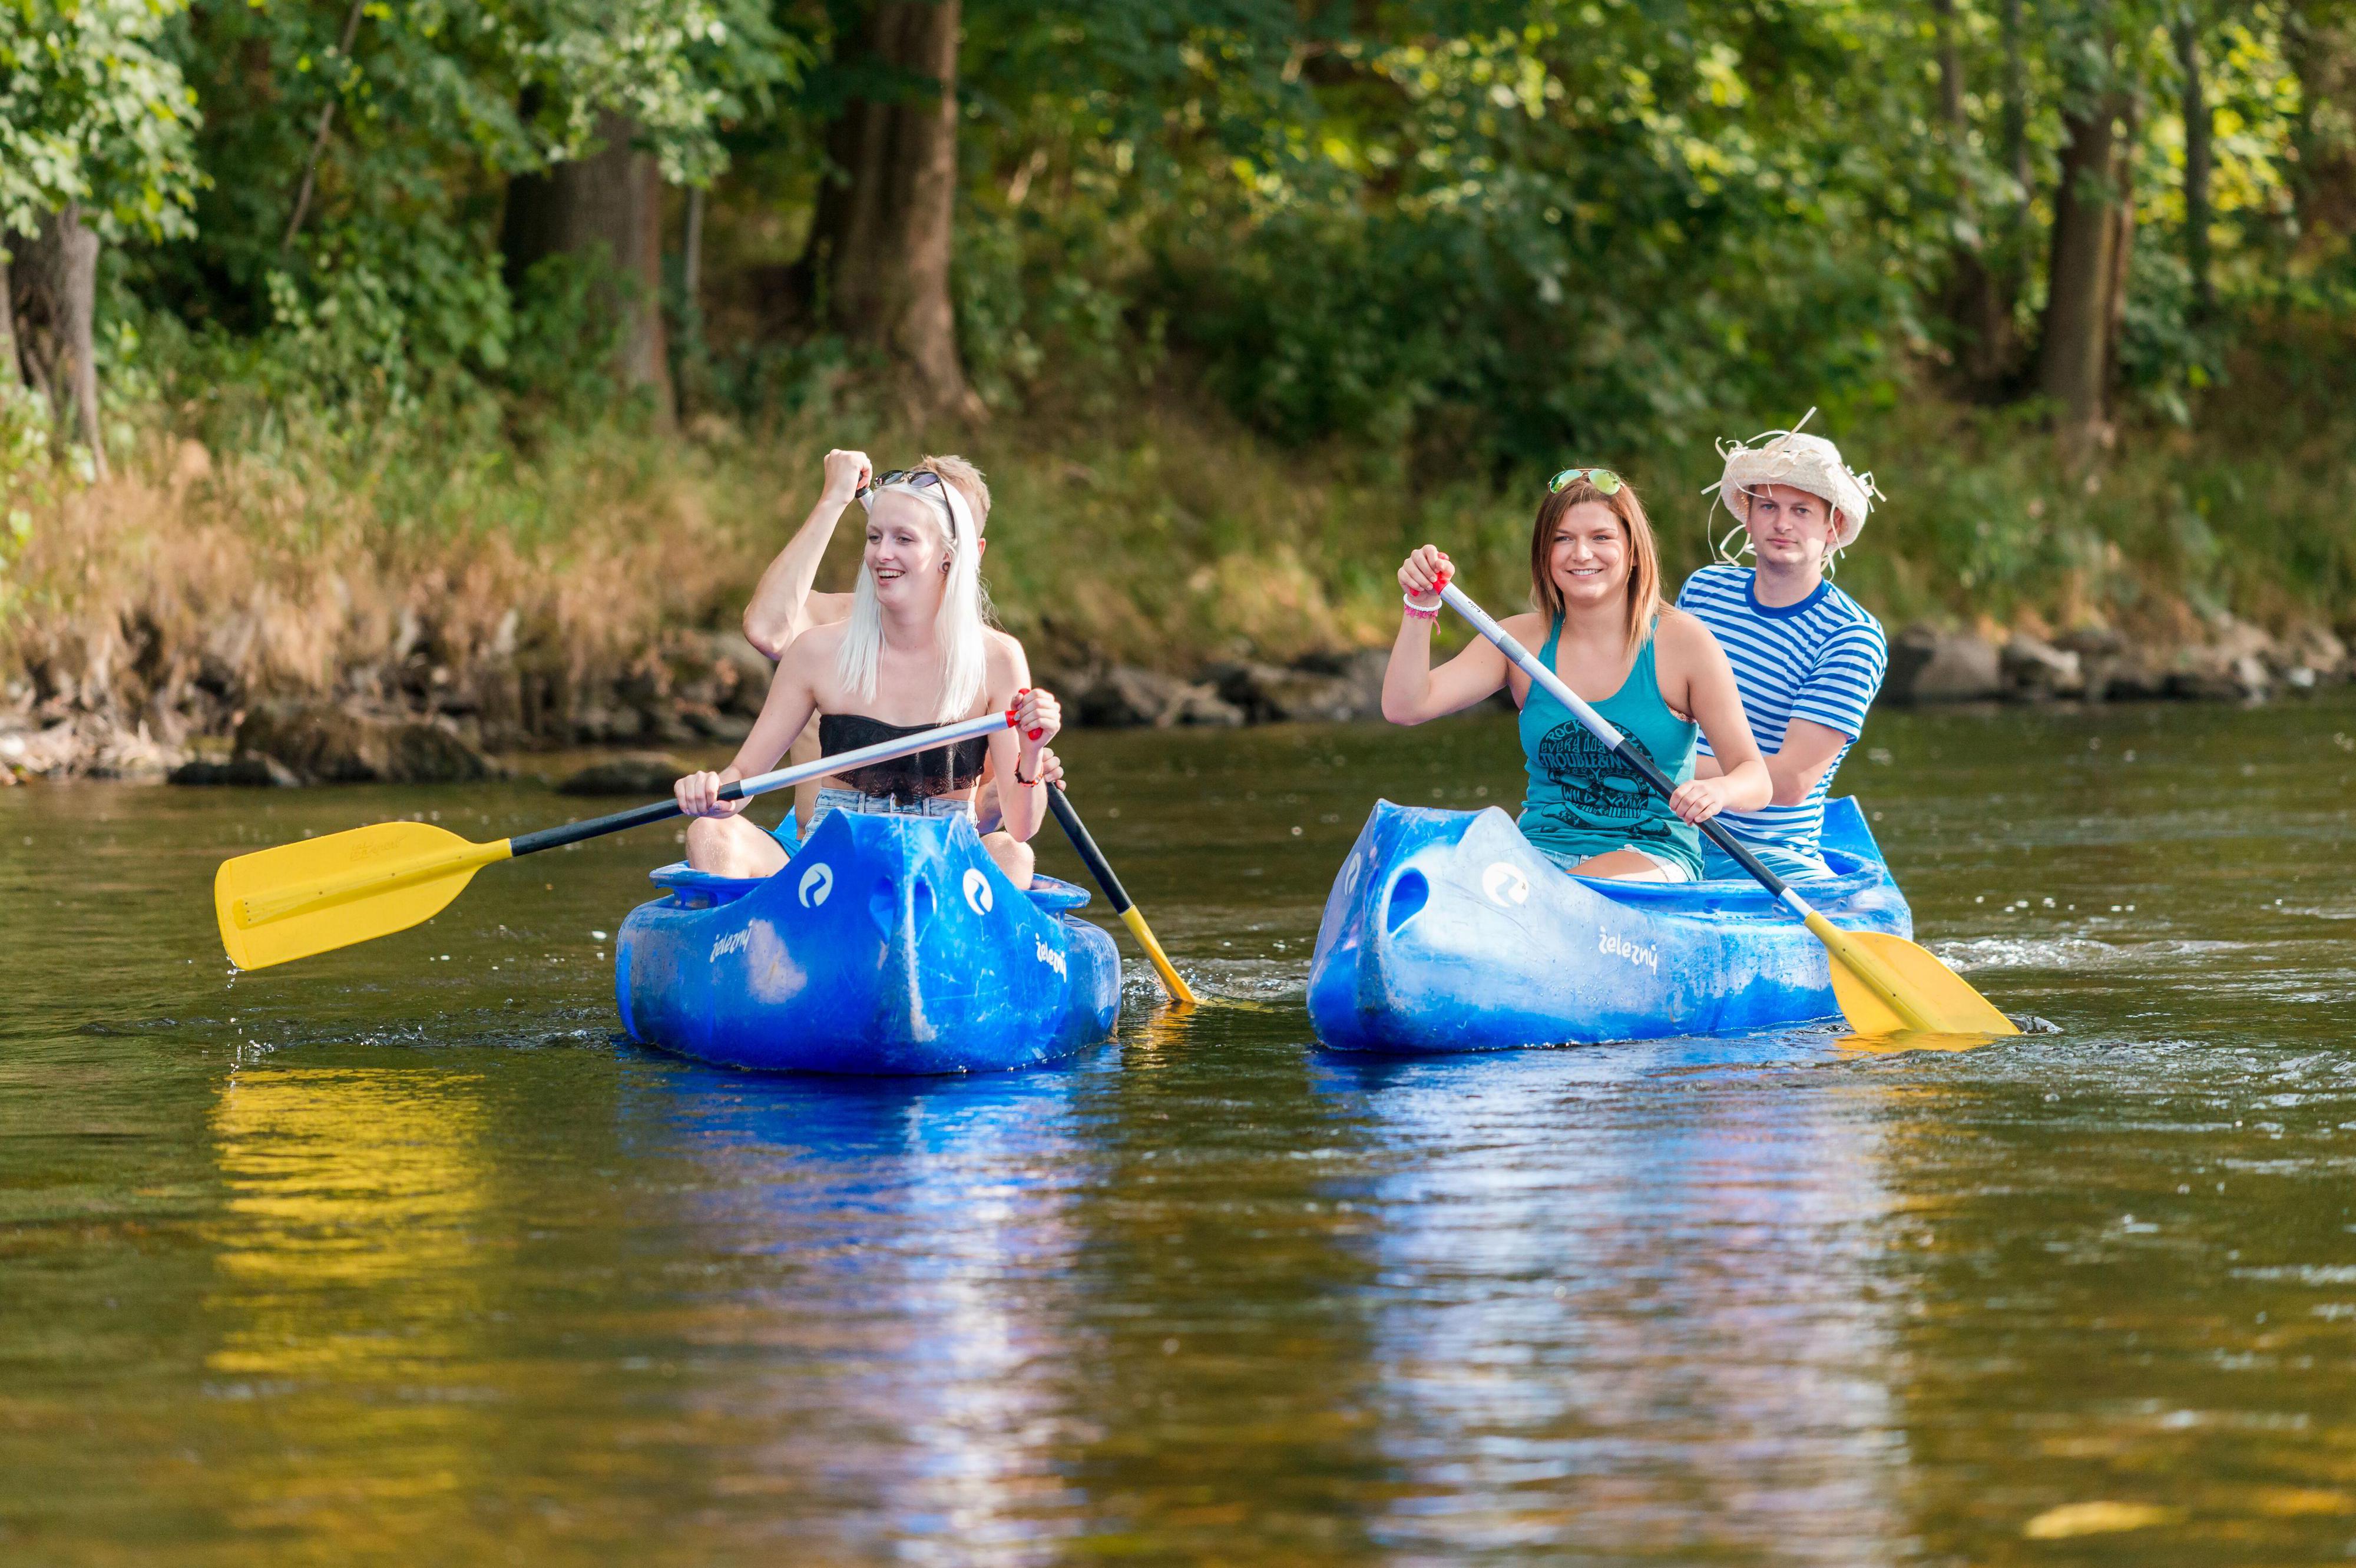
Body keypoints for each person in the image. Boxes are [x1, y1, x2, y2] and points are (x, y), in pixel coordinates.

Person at [673, 455, 1063, 890]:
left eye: (903, 540)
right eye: (875, 537)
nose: (882, 554)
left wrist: (1031, 752)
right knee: (708, 833)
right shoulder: (818, 649)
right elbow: (741, 780)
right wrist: (711, 790)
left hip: (942, 874)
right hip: (830, 870)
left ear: (950, 557)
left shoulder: (998, 659)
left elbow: (1022, 825)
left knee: (1013, 853)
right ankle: (736, 950)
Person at [1382, 469, 1771, 881]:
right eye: (1562, 539)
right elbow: (1406, 706)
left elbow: (1755, 778)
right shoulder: (1517, 641)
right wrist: (1420, 607)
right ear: (1544, 555)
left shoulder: (1685, 643)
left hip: (1651, 855)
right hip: (1538, 856)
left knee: (1573, 890)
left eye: (1601, 538)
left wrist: (1718, 791)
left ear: (1634, 551)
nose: (1581, 554)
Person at [1676, 420, 1890, 881]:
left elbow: (1792, 781)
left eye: (1802, 510)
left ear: (1833, 527)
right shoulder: (1704, 590)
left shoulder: (1851, 637)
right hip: (1669, 831)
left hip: (1767, 856)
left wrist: (1661, 760)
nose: (1782, 524)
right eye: (1768, 505)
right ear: (1748, 516)